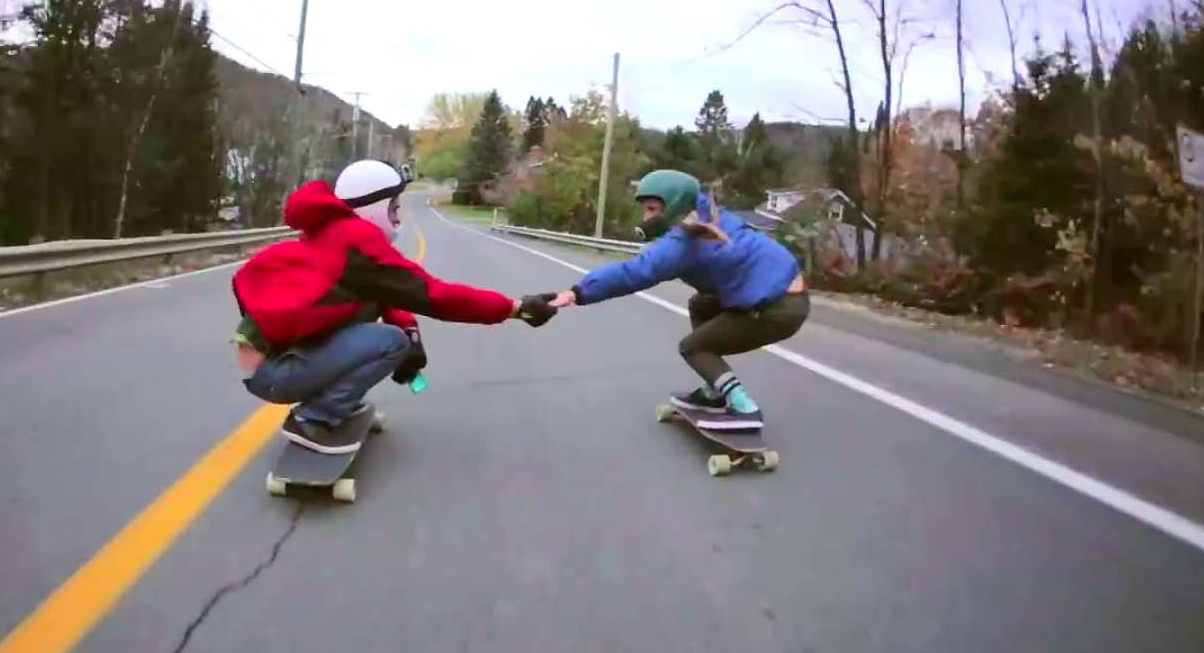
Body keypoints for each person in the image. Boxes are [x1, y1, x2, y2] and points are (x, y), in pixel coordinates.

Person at [231, 160, 557, 453]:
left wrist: (411, 332)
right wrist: (515, 308)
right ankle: (313, 418)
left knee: (387, 332)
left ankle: (336, 404)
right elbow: (434, 295)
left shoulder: (332, 234)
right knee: (390, 342)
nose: (398, 217)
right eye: (394, 207)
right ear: (375, 207)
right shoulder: (356, 241)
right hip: (274, 372)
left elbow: (382, 294)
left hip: (267, 364)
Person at [546, 169, 808, 430]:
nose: (645, 217)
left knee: (692, 347)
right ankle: (714, 390)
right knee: (700, 303)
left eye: (651, 209)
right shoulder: (708, 214)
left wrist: (576, 293)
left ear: (674, 206)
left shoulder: (683, 244)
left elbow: (632, 273)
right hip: (781, 294)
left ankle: (743, 407)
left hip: (778, 309)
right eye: (644, 209)